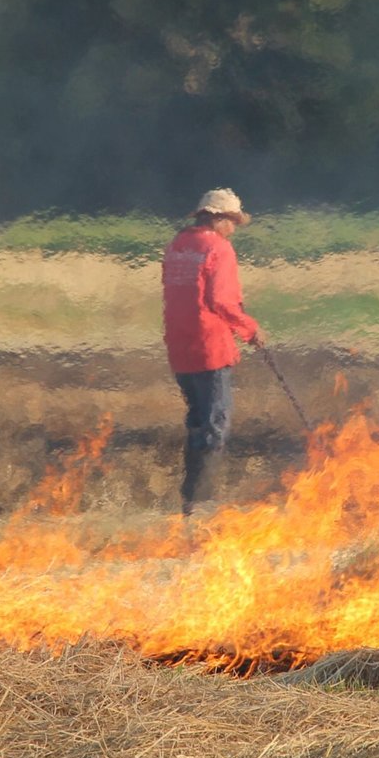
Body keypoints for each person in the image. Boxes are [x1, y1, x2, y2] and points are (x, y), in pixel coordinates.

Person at [162, 187, 262, 515]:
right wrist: (249, 329)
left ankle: (190, 498)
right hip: (210, 348)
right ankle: (201, 503)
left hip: (179, 348)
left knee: (196, 421)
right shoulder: (218, 248)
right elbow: (220, 300)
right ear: (218, 218)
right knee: (214, 425)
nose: (233, 229)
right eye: (232, 221)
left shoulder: (176, 246)